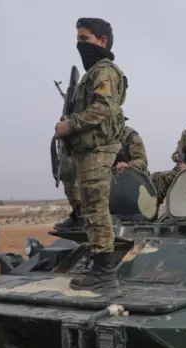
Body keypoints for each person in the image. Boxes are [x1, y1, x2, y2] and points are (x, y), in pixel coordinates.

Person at [54, 17, 127, 291]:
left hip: (98, 149)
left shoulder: (105, 71)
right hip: (86, 150)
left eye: (84, 39)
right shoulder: (92, 74)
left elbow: (103, 109)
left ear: (102, 41)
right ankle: (100, 268)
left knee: (96, 208)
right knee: (89, 208)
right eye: (78, 39)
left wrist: (70, 124)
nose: (79, 44)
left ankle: (104, 273)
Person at [54, 122, 147, 231]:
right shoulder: (96, 138)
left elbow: (142, 161)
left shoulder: (130, 136)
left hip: (128, 185)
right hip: (104, 184)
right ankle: (79, 213)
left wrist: (128, 165)